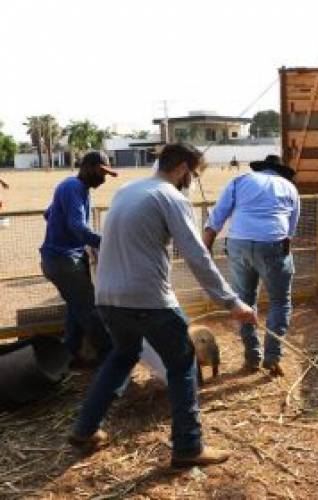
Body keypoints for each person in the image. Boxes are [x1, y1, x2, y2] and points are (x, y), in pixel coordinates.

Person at [69, 143, 257, 468]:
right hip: (148, 299)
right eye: (194, 174)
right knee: (182, 361)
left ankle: (86, 429)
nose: (192, 180)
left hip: (108, 298)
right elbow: (197, 256)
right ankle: (188, 447)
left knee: (123, 355)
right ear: (183, 168)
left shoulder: (128, 190)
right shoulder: (170, 197)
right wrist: (232, 302)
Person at [203, 154, 299, 378]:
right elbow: (290, 230)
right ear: (281, 171)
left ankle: (251, 358)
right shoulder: (290, 188)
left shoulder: (240, 181)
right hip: (273, 243)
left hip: (238, 243)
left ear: (261, 169)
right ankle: (272, 359)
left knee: (243, 302)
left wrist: (204, 250)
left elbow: (216, 217)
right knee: (280, 302)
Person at [40, 151, 117, 363]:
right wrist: (107, 243)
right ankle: (109, 355)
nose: (103, 179)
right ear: (89, 167)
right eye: (102, 173)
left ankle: (69, 353)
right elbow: (77, 225)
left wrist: (65, 232)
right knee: (89, 309)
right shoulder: (74, 188)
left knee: (76, 308)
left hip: (57, 259)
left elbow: (48, 214)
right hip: (65, 260)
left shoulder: (72, 186)